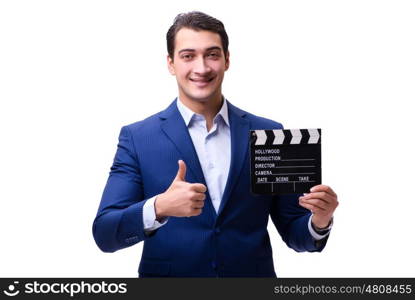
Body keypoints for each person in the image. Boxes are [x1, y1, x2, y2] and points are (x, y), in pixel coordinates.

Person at [92, 11, 338, 277]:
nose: (202, 68)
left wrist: (319, 220)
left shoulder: (270, 133)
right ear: (171, 63)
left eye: (212, 54)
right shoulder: (138, 138)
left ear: (227, 60)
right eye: (188, 56)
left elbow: (294, 232)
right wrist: (160, 206)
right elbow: (106, 233)